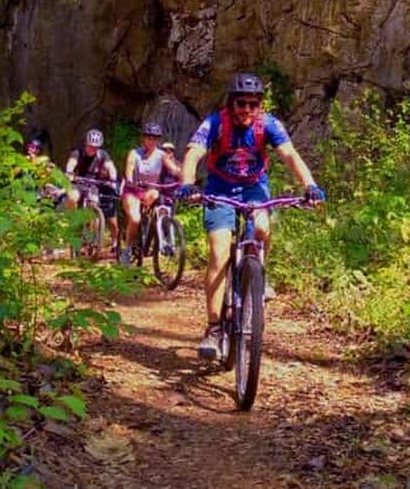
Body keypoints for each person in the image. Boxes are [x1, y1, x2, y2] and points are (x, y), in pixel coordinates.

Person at [178, 72, 325, 359]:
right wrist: (187, 183)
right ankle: (214, 328)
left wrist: (310, 185)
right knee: (219, 254)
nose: (247, 109)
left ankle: (259, 274)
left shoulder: (268, 124)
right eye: (241, 103)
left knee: (261, 226)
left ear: (260, 106)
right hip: (219, 189)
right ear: (231, 103)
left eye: (253, 104)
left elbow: (290, 155)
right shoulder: (215, 123)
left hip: (254, 189)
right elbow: (194, 153)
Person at [120, 122, 181, 265]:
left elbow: (174, 170)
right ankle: (127, 250)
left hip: (150, 190)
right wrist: (130, 180)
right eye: (149, 138)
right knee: (135, 218)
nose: (152, 141)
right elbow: (129, 169)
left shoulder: (162, 155)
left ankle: (154, 232)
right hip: (133, 191)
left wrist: (184, 177)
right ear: (144, 138)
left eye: (155, 138)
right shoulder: (134, 153)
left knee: (156, 195)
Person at [65, 129, 120, 252]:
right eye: (90, 146)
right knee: (72, 197)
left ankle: (92, 239)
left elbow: (110, 167)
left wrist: (113, 180)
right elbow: (71, 163)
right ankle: (72, 221)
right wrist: (69, 172)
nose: (92, 149)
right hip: (78, 183)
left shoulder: (102, 155)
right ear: (86, 144)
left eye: (96, 147)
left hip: (94, 185)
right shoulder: (78, 153)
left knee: (94, 207)